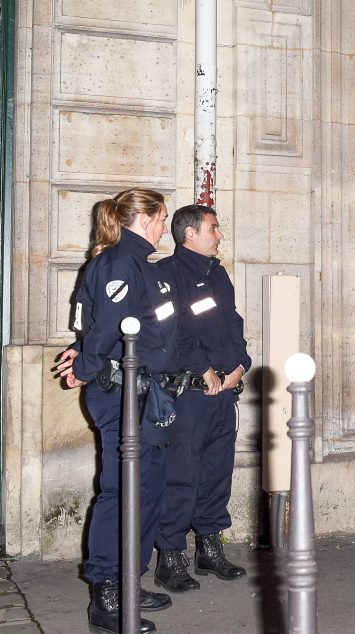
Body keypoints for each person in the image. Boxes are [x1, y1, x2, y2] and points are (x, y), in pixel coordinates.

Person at [55, 188, 178, 634]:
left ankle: (130, 579)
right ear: (144, 218)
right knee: (120, 491)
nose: (165, 226)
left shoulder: (141, 263)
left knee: (146, 490)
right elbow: (107, 327)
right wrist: (85, 367)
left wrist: (81, 351)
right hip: (122, 393)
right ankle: (106, 593)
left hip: (149, 395)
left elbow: (132, 324)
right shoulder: (119, 261)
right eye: (162, 217)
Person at [152, 204, 250, 593]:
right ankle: (170, 556)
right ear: (189, 234)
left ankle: (210, 549)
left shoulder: (218, 274)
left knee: (216, 473)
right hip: (188, 395)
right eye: (214, 228)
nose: (220, 235)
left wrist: (241, 364)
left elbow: (234, 325)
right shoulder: (165, 275)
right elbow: (168, 329)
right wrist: (201, 366)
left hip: (224, 394)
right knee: (181, 476)